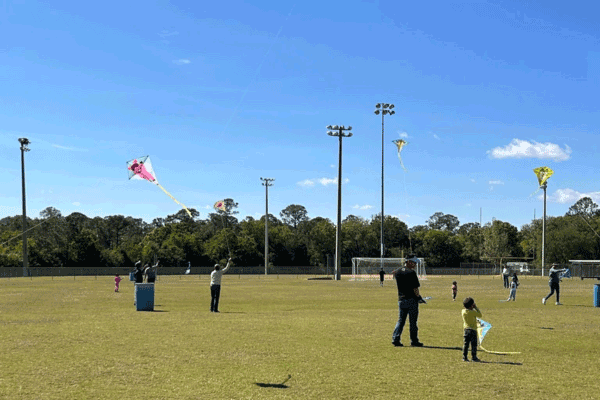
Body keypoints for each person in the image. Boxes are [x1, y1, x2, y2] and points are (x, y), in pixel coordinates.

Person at [391, 255, 424, 347]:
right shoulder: (411, 273)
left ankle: (395, 338)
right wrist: (419, 298)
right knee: (413, 322)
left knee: (401, 320)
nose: (415, 264)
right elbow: (415, 288)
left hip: (401, 299)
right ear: (409, 262)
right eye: (414, 262)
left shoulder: (397, 271)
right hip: (411, 300)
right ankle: (414, 341)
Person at [462, 297, 482, 362]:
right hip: (473, 330)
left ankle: (464, 357)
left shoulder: (463, 311)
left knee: (466, 344)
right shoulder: (472, 312)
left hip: (466, 330)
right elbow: (480, 315)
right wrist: (475, 307)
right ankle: (474, 357)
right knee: (474, 345)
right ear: (471, 305)